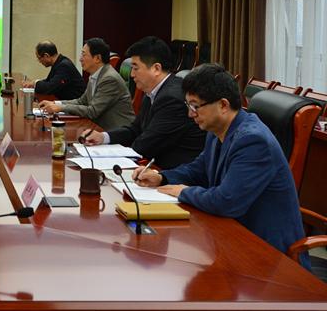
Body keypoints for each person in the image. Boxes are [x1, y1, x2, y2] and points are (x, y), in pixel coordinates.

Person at [132, 63, 308, 266]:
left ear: (223, 105)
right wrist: (161, 177)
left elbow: (226, 201)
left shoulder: (253, 141)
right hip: (233, 238)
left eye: (195, 106)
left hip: (269, 256)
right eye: (188, 106)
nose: (190, 114)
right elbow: (198, 170)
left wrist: (183, 192)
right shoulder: (218, 131)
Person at [82, 36, 205, 169]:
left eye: (135, 68)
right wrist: (103, 137)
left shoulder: (172, 99)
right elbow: (136, 129)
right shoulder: (152, 91)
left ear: (156, 68)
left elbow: (145, 145)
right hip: (154, 166)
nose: (132, 74)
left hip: (172, 172)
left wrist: (107, 156)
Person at [38, 38, 134, 131]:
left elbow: (93, 111)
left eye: (84, 55)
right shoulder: (95, 75)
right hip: (98, 128)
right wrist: (55, 104)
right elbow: (82, 101)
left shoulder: (109, 79)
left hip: (117, 132)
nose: (80, 59)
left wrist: (61, 108)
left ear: (97, 58)